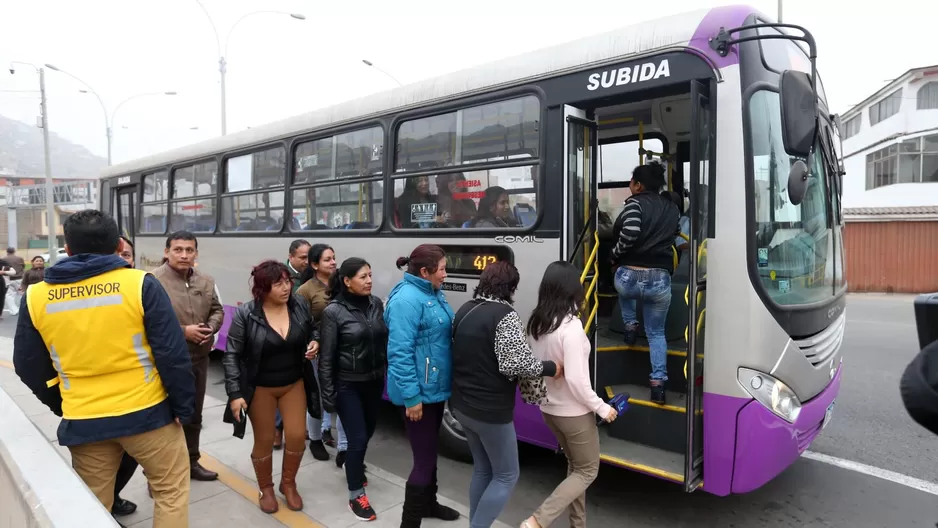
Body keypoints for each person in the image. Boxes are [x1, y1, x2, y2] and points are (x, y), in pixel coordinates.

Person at [12, 209, 195, 527]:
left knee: (92, 507)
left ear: (67, 249)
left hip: (85, 421)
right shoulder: (140, 284)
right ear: (116, 247)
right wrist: (183, 406)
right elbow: (172, 355)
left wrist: (63, 403)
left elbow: (27, 364)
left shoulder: (36, 297)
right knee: (170, 493)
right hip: (149, 415)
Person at [450, 261, 561, 528]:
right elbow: (515, 364)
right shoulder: (504, 316)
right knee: (507, 474)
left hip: (462, 406)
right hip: (490, 412)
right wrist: (550, 367)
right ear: (510, 287)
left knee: (483, 469)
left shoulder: (466, 308)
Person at [522, 261, 618, 528]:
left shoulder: (538, 322)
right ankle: (536, 522)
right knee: (588, 470)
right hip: (574, 414)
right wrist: (602, 408)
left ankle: (578, 525)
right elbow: (577, 380)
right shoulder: (571, 328)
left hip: (549, 410)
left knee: (575, 467)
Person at [223, 260, 321, 513]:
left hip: (293, 382)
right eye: (278, 284)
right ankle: (265, 487)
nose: (286, 288)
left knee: (298, 436)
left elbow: (313, 330)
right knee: (265, 440)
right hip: (261, 387)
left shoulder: (298, 304)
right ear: (262, 288)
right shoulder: (247, 314)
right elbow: (231, 354)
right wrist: (235, 394)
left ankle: (288, 484)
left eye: (287, 281)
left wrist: (314, 342)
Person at [385, 244, 461, 527]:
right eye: (441, 269)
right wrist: (412, 397)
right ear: (425, 271)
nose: (445, 273)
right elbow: (399, 353)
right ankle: (410, 521)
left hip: (433, 388)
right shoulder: (407, 300)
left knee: (429, 453)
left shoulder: (431, 293)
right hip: (419, 393)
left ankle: (430, 504)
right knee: (424, 459)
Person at [318, 257, 388, 521]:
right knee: (358, 438)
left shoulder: (376, 305)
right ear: (347, 282)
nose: (369, 280)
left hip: (373, 382)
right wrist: (328, 395)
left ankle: (352, 464)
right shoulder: (333, 312)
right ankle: (356, 494)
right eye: (363, 276)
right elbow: (327, 357)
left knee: (367, 433)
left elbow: (383, 340)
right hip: (347, 384)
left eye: (370, 275)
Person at [153, 231, 225, 481]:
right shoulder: (151, 281)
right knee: (164, 420)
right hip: (166, 362)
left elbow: (217, 309)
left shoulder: (205, 281)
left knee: (194, 415)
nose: (184, 255)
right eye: (178, 250)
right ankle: (158, 475)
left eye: (189, 250)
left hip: (199, 359)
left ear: (196, 253)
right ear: (166, 252)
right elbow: (148, 321)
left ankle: (192, 461)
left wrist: (210, 328)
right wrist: (185, 332)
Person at [609, 162, 680, 404]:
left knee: (620, 279)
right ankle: (658, 385)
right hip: (660, 279)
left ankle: (630, 326)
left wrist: (615, 255)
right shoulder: (671, 209)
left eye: (631, 182)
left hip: (630, 277)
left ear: (638, 185)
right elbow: (674, 232)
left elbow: (628, 234)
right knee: (656, 333)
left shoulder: (634, 205)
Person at [296, 243, 346, 462]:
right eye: (327, 259)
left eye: (334, 258)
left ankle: (344, 449)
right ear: (314, 265)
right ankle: (315, 439)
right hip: (317, 354)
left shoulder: (343, 283)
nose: (333, 262)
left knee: (345, 399)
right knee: (317, 397)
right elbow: (300, 324)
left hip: (343, 351)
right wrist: (313, 341)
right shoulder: (305, 290)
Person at [111, 235, 140, 518]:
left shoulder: (144, 289)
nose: (123, 260)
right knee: (99, 467)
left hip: (137, 400)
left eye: (127, 255)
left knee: (130, 457)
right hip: (92, 407)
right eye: (117, 254)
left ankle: (114, 497)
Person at [274, 238, 312, 450]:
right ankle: (278, 428)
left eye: (309, 257)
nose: (306, 261)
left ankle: (297, 426)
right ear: (291, 257)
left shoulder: (312, 276)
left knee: (302, 386)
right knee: (283, 385)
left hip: (304, 337)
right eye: (302, 257)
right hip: (283, 337)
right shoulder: (280, 276)